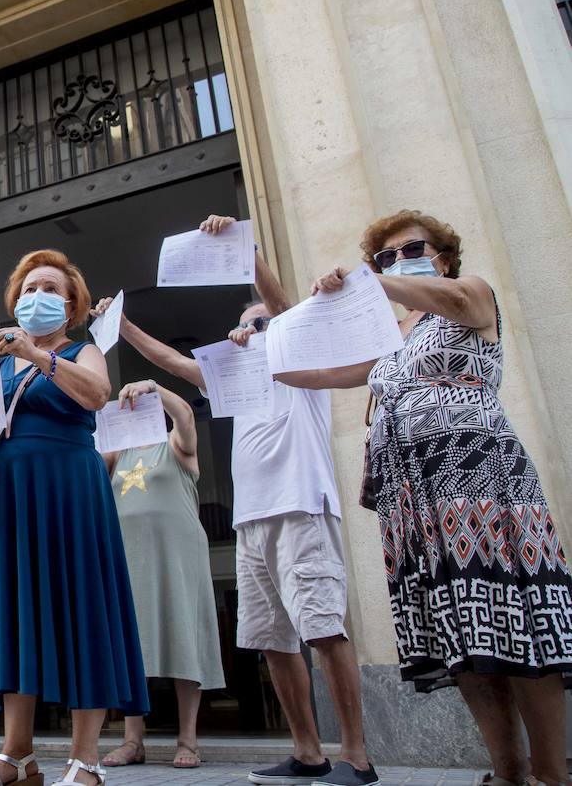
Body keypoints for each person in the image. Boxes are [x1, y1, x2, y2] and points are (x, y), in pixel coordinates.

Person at [276, 210, 572, 786]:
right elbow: (324, 373)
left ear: (443, 253)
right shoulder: (393, 336)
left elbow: (461, 305)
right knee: (463, 636)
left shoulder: (472, 294)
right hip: (414, 498)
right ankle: (508, 772)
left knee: (517, 624)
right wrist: (274, 352)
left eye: (408, 250)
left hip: (481, 484)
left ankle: (553, 774)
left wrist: (368, 279)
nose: (394, 262)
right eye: (382, 256)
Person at [118, 213, 374, 786]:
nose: (248, 333)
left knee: (324, 630)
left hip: (301, 506)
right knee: (272, 642)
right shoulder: (233, 382)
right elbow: (171, 363)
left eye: (257, 325)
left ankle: (356, 756)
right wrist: (121, 325)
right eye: (243, 327)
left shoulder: (298, 361)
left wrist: (242, 250)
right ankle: (308, 752)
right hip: (251, 520)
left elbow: (279, 306)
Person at [0, 249, 148, 786]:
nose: (36, 297)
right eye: (28, 288)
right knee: (18, 618)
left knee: (84, 612)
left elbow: (96, 395)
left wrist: (37, 355)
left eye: (49, 289)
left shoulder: (81, 350)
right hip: (13, 496)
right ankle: (16, 757)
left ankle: (84, 760)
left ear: (71, 305)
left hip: (70, 491)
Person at [97, 379, 224, 770]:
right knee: (132, 647)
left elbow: (185, 416)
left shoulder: (175, 447)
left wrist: (154, 389)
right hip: (130, 559)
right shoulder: (118, 455)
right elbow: (92, 470)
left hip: (177, 558)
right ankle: (133, 739)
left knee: (184, 638)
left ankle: (188, 739)